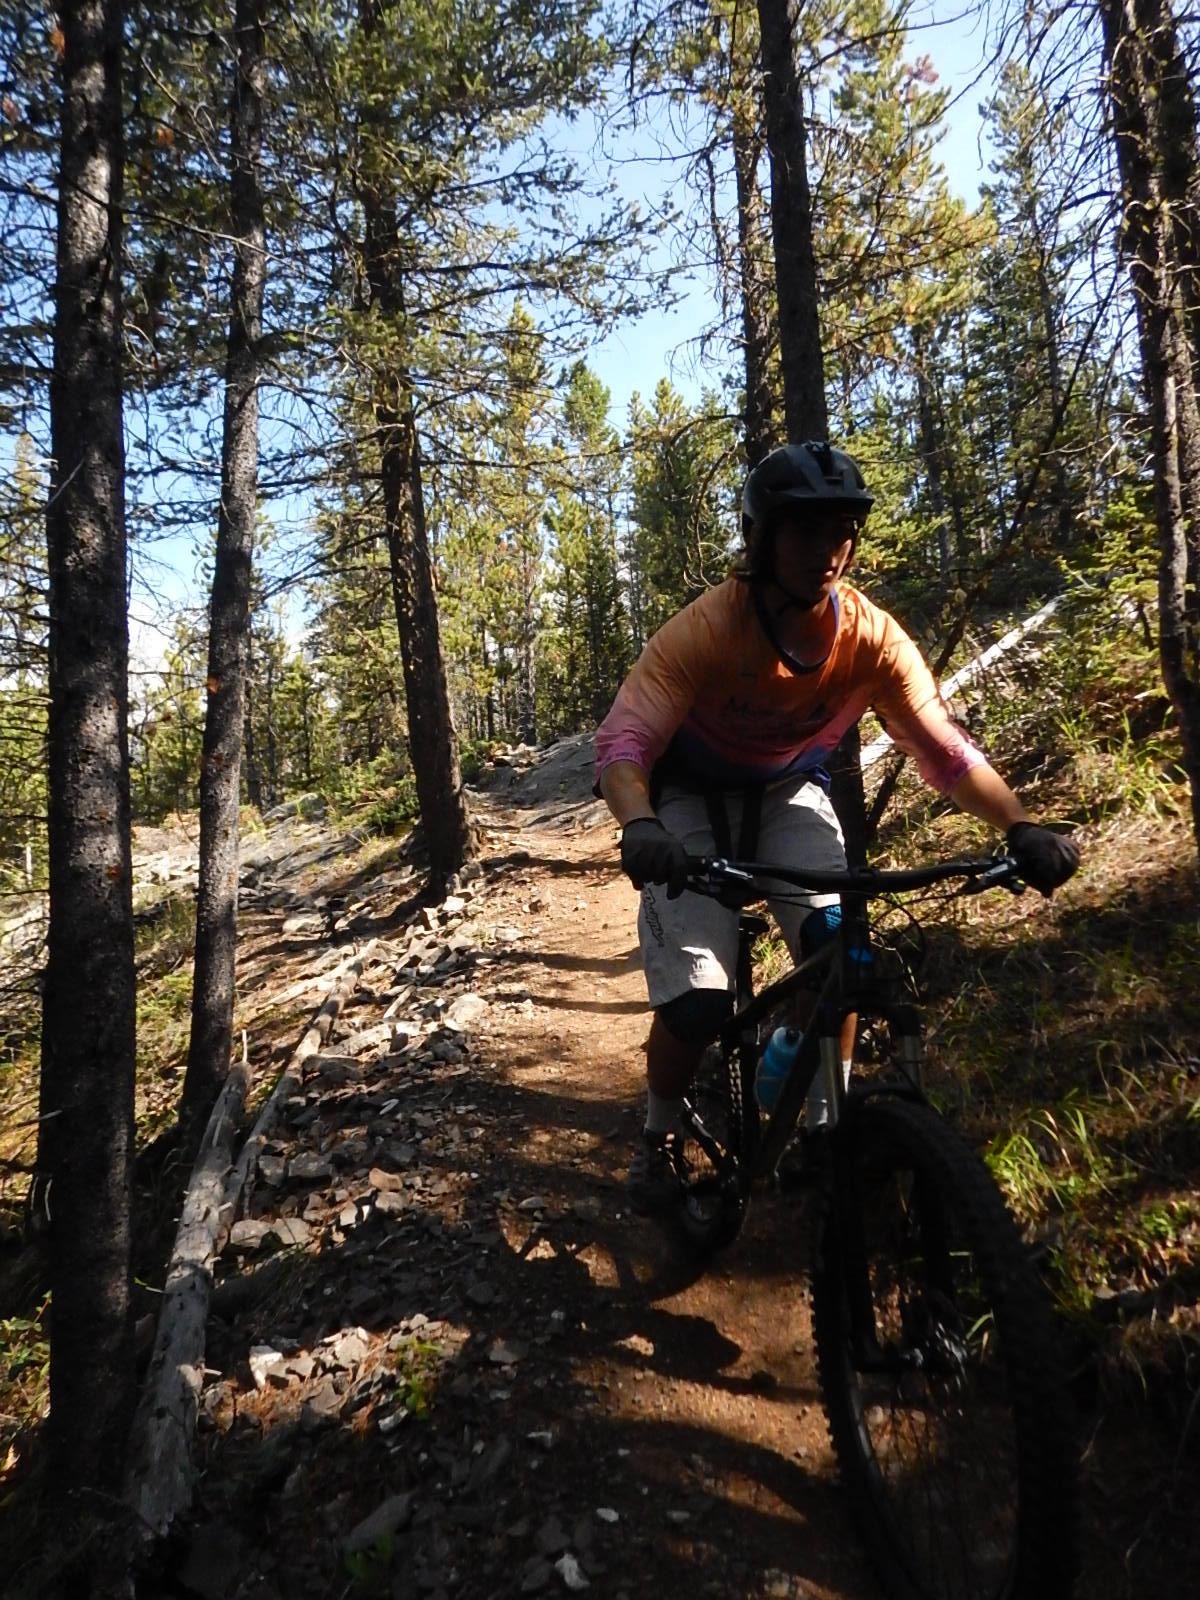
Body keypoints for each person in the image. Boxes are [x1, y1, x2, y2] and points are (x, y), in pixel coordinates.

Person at [595, 440, 1080, 1214]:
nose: (826, 551)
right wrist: (640, 823)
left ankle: (826, 1129)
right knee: (696, 1005)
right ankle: (655, 1138)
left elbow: (943, 750)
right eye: (803, 531)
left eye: (840, 532)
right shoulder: (706, 630)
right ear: (762, 539)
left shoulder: (871, 638)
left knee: (844, 955)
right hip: (684, 803)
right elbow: (626, 744)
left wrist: (1019, 824)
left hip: (788, 794)